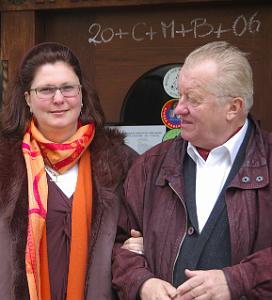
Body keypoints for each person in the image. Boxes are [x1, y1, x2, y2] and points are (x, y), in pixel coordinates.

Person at [0, 42, 137, 300]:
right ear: (28, 99)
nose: (59, 98)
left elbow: (143, 241)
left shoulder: (121, 164)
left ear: (82, 94)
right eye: (46, 90)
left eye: (68, 88)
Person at [112, 41, 272, 300]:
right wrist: (142, 282)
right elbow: (118, 246)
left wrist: (237, 280)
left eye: (193, 99)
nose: (178, 109)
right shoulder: (149, 167)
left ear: (234, 107)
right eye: (180, 96)